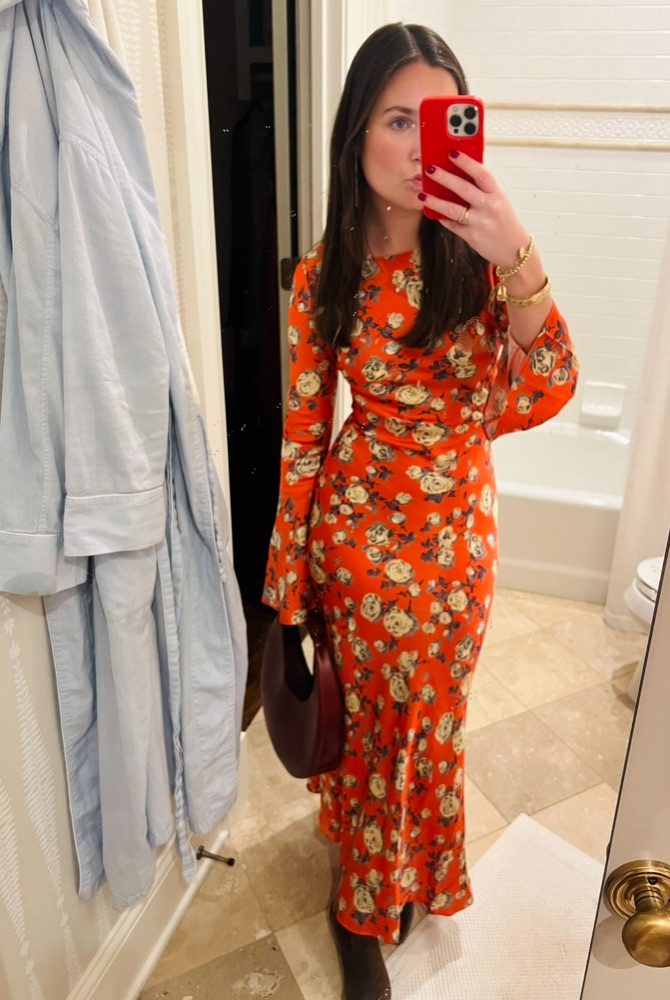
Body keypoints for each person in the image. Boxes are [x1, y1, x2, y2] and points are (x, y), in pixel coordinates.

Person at [262, 22, 578, 1000]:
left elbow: (549, 387)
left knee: (432, 728)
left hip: (456, 549)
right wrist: (287, 588)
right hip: (356, 544)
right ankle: (357, 913)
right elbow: (303, 438)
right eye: (398, 120)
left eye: (437, 120)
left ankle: (403, 873)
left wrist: (516, 252)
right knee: (367, 739)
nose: (416, 144)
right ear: (356, 134)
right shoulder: (321, 276)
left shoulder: (481, 267)